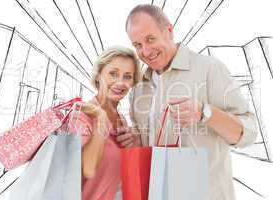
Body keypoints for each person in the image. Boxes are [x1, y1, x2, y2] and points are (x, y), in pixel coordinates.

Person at [125, 4, 258, 200]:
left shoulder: (209, 69)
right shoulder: (138, 89)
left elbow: (249, 133)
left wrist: (205, 113)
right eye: (137, 45)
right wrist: (132, 138)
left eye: (150, 39)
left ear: (169, 31)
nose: (145, 51)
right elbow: (145, 144)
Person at [68, 46, 142, 200]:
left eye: (127, 76)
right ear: (98, 75)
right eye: (113, 74)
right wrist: (100, 120)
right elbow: (87, 169)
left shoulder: (121, 118)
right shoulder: (82, 116)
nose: (120, 82)